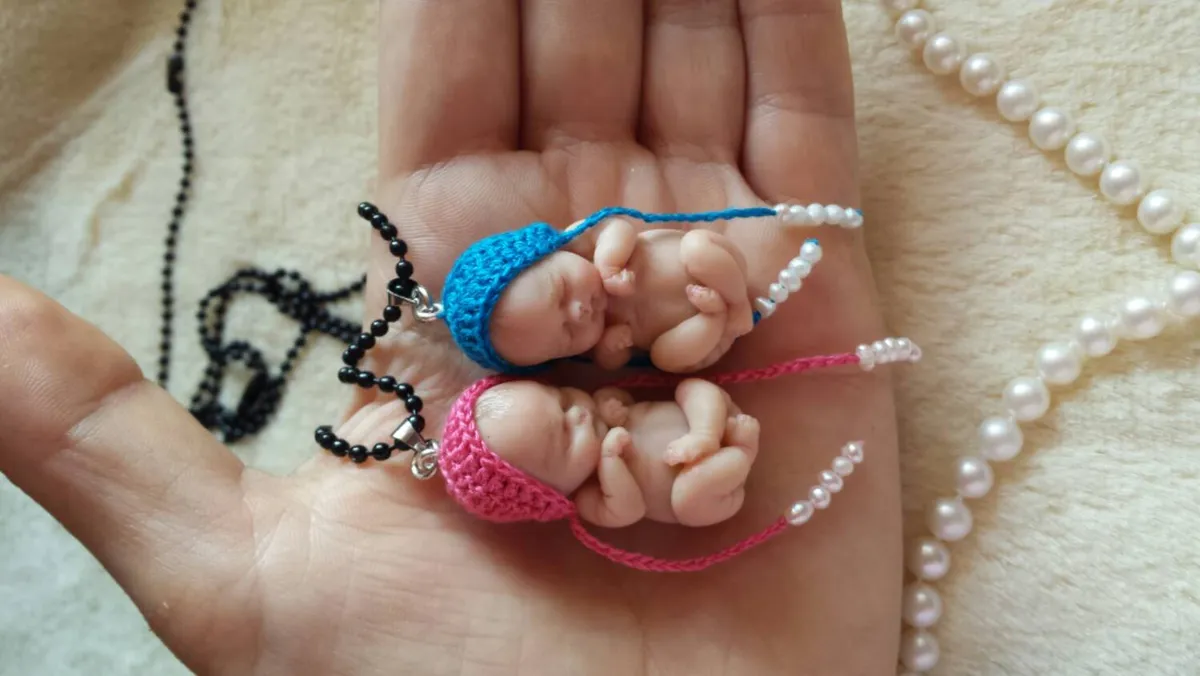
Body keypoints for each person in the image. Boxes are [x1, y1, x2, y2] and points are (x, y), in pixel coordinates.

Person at [0, 1, 902, 673]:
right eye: (562, 439)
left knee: (694, 308)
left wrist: (626, 287)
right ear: (551, 495)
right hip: (694, 466)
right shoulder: (602, 484)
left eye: (560, 297)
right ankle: (717, 435)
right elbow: (621, 493)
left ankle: (713, 376)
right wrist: (652, 445)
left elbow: (618, 305)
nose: (585, 325)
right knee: (691, 394)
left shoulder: (610, 269)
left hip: (690, 292)